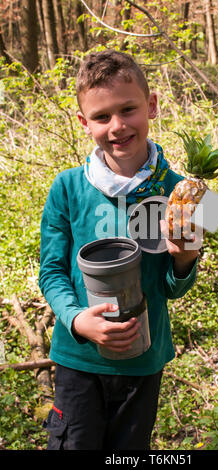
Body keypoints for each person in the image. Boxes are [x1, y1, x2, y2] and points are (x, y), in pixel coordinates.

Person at [39, 50, 200, 451]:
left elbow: (175, 287)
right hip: (78, 361)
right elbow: (51, 271)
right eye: (101, 117)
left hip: (144, 361)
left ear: (152, 105)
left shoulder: (188, 192)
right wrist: (78, 322)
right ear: (83, 123)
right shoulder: (67, 188)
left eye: (128, 109)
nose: (117, 126)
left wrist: (184, 258)